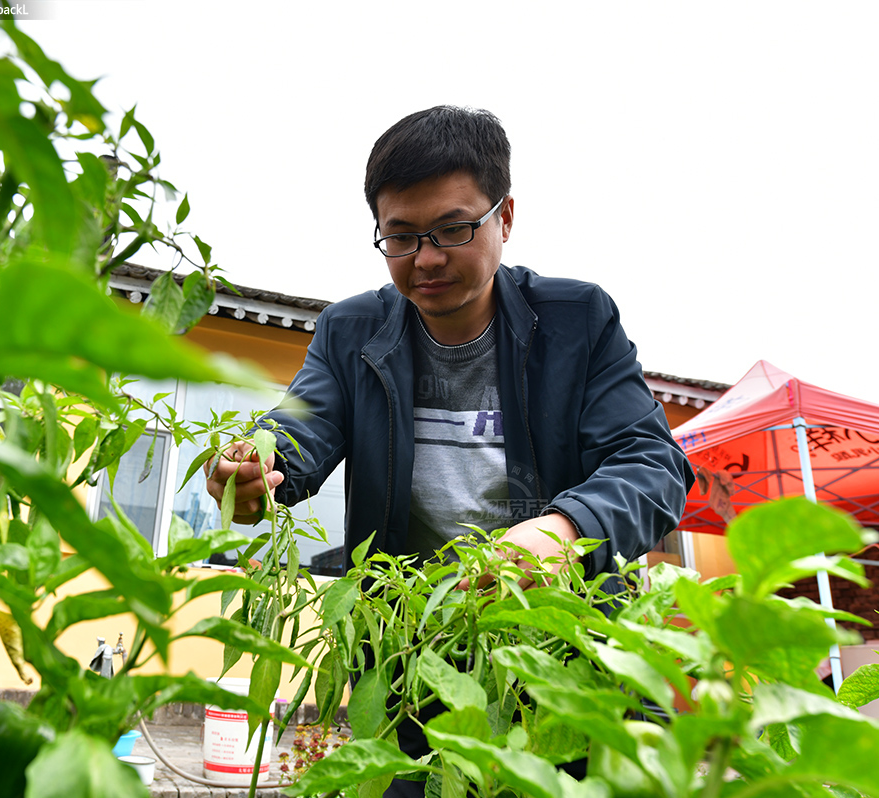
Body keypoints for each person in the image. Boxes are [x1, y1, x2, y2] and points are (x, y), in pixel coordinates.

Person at [204, 106, 694, 793]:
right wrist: (253, 468)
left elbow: (651, 463)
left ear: (505, 217)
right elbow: (300, 423)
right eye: (399, 237)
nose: (425, 259)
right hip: (413, 667)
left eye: (452, 229)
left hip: (567, 662)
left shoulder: (575, 320)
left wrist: (562, 530)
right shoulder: (353, 330)